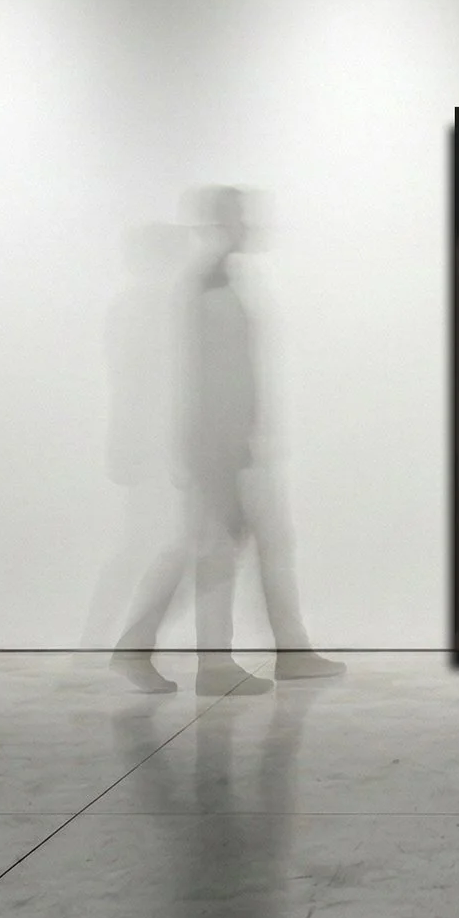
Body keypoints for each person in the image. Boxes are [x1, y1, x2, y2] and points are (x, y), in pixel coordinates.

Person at [114, 186, 342, 692]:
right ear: (223, 224)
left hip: (229, 443)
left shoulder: (220, 280)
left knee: (228, 546)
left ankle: (262, 654)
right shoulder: (210, 285)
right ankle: (204, 658)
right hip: (223, 445)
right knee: (219, 548)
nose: (250, 225)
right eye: (241, 216)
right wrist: (229, 448)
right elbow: (211, 375)